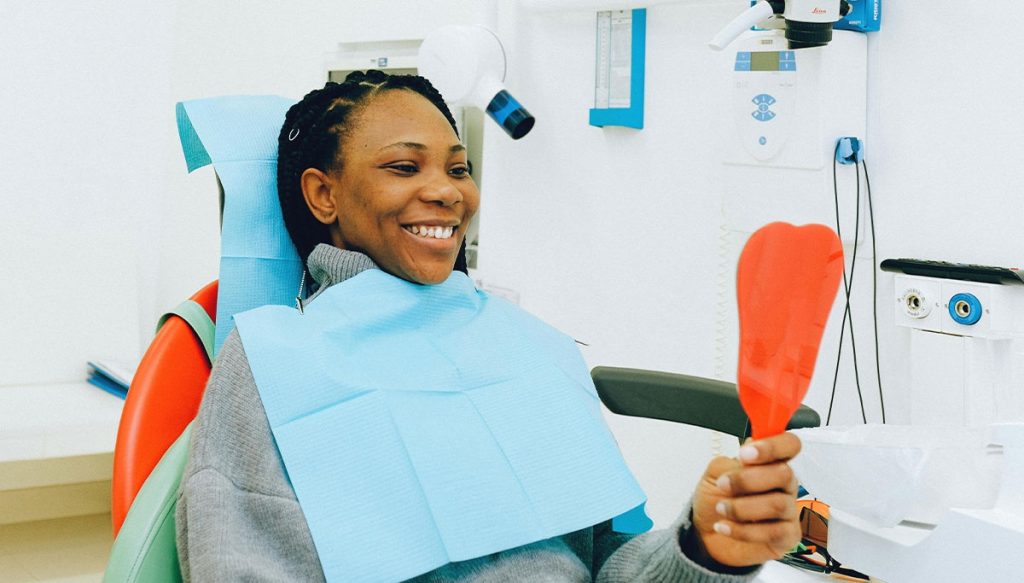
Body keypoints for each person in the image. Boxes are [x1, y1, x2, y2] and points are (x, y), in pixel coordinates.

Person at [175, 70, 802, 582]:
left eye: (457, 168)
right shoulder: (274, 361)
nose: (447, 192)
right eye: (404, 167)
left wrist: (705, 545)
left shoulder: (533, 349)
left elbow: (615, 565)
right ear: (323, 196)